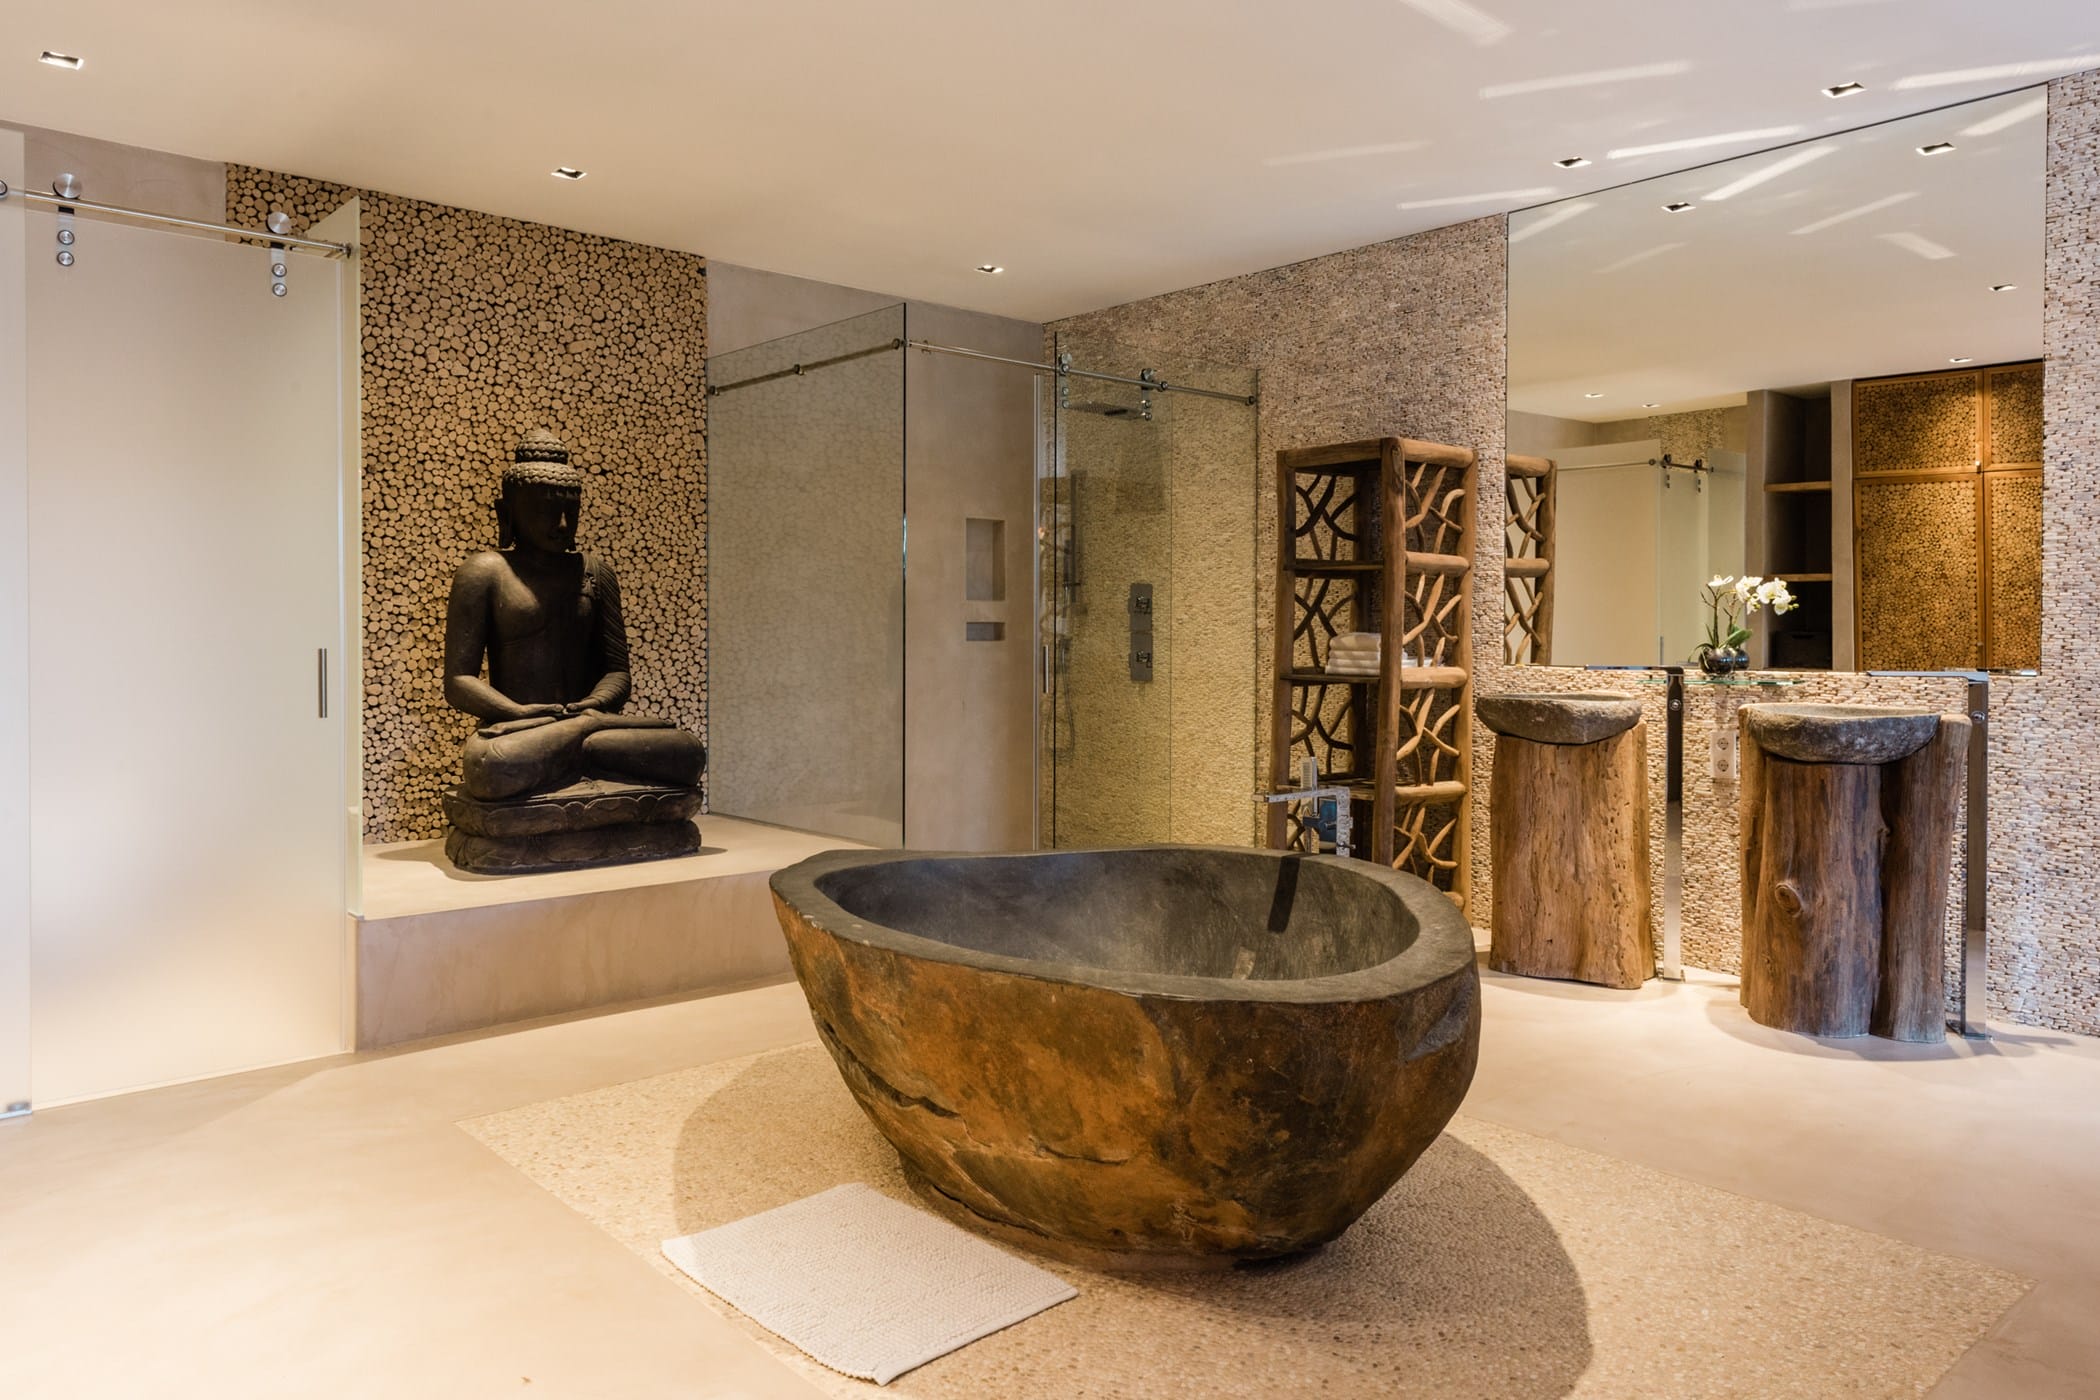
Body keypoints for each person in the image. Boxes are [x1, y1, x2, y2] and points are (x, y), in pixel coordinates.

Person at [441, 429, 705, 802]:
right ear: (508, 512)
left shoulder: (595, 571)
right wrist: (517, 712)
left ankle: (575, 746)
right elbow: (459, 680)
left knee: (688, 752)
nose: (562, 525)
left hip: (591, 723)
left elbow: (617, 672)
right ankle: (580, 748)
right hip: (522, 732)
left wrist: (593, 705)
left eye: (571, 512)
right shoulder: (485, 571)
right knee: (495, 765)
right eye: (545, 512)